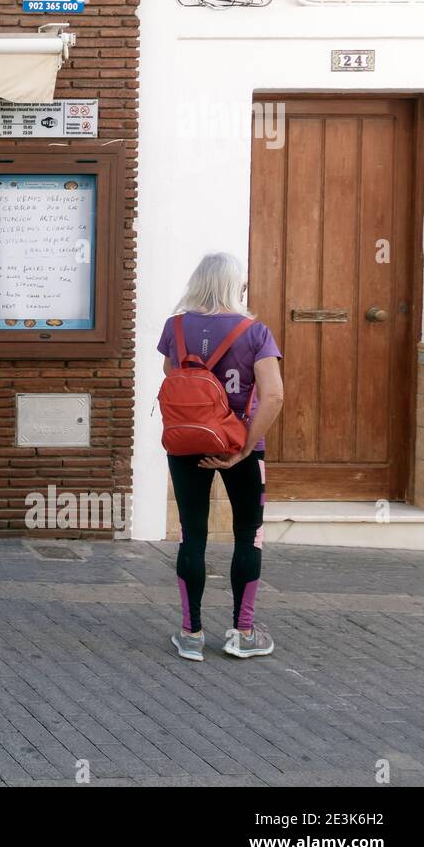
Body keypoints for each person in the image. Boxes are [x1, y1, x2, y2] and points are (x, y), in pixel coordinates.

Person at [159, 252, 285, 661]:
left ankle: (190, 634)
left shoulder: (175, 326)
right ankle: (242, 633)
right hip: (240, 445)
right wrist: (245, 447)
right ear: (237, 286)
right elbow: (274, 395)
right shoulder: (256, 332)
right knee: (248, 533)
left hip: (186, 443)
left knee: (191, 533)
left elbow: (170, 374)